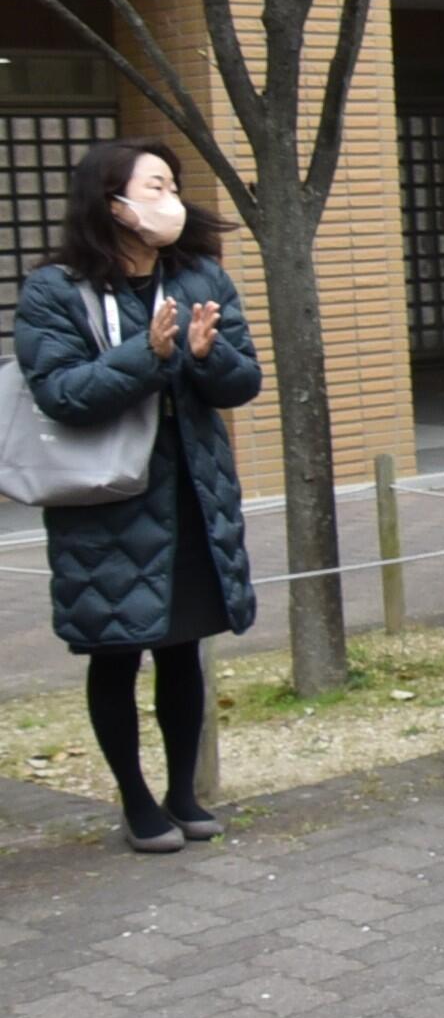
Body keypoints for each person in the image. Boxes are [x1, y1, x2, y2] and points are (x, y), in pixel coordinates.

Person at [13, 140, 260, 855]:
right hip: (107, 500)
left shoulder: (198, 277)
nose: (170, 197)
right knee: (115, 650)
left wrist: (209, 356)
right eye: (154, 186)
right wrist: (144, 357)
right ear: (111, 202)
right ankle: (136, 799)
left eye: (173, 185)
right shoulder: (56, 290)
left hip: (190, 491)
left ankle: (184, 792)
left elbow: (242, 385)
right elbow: (60, 393)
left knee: (184, 649)